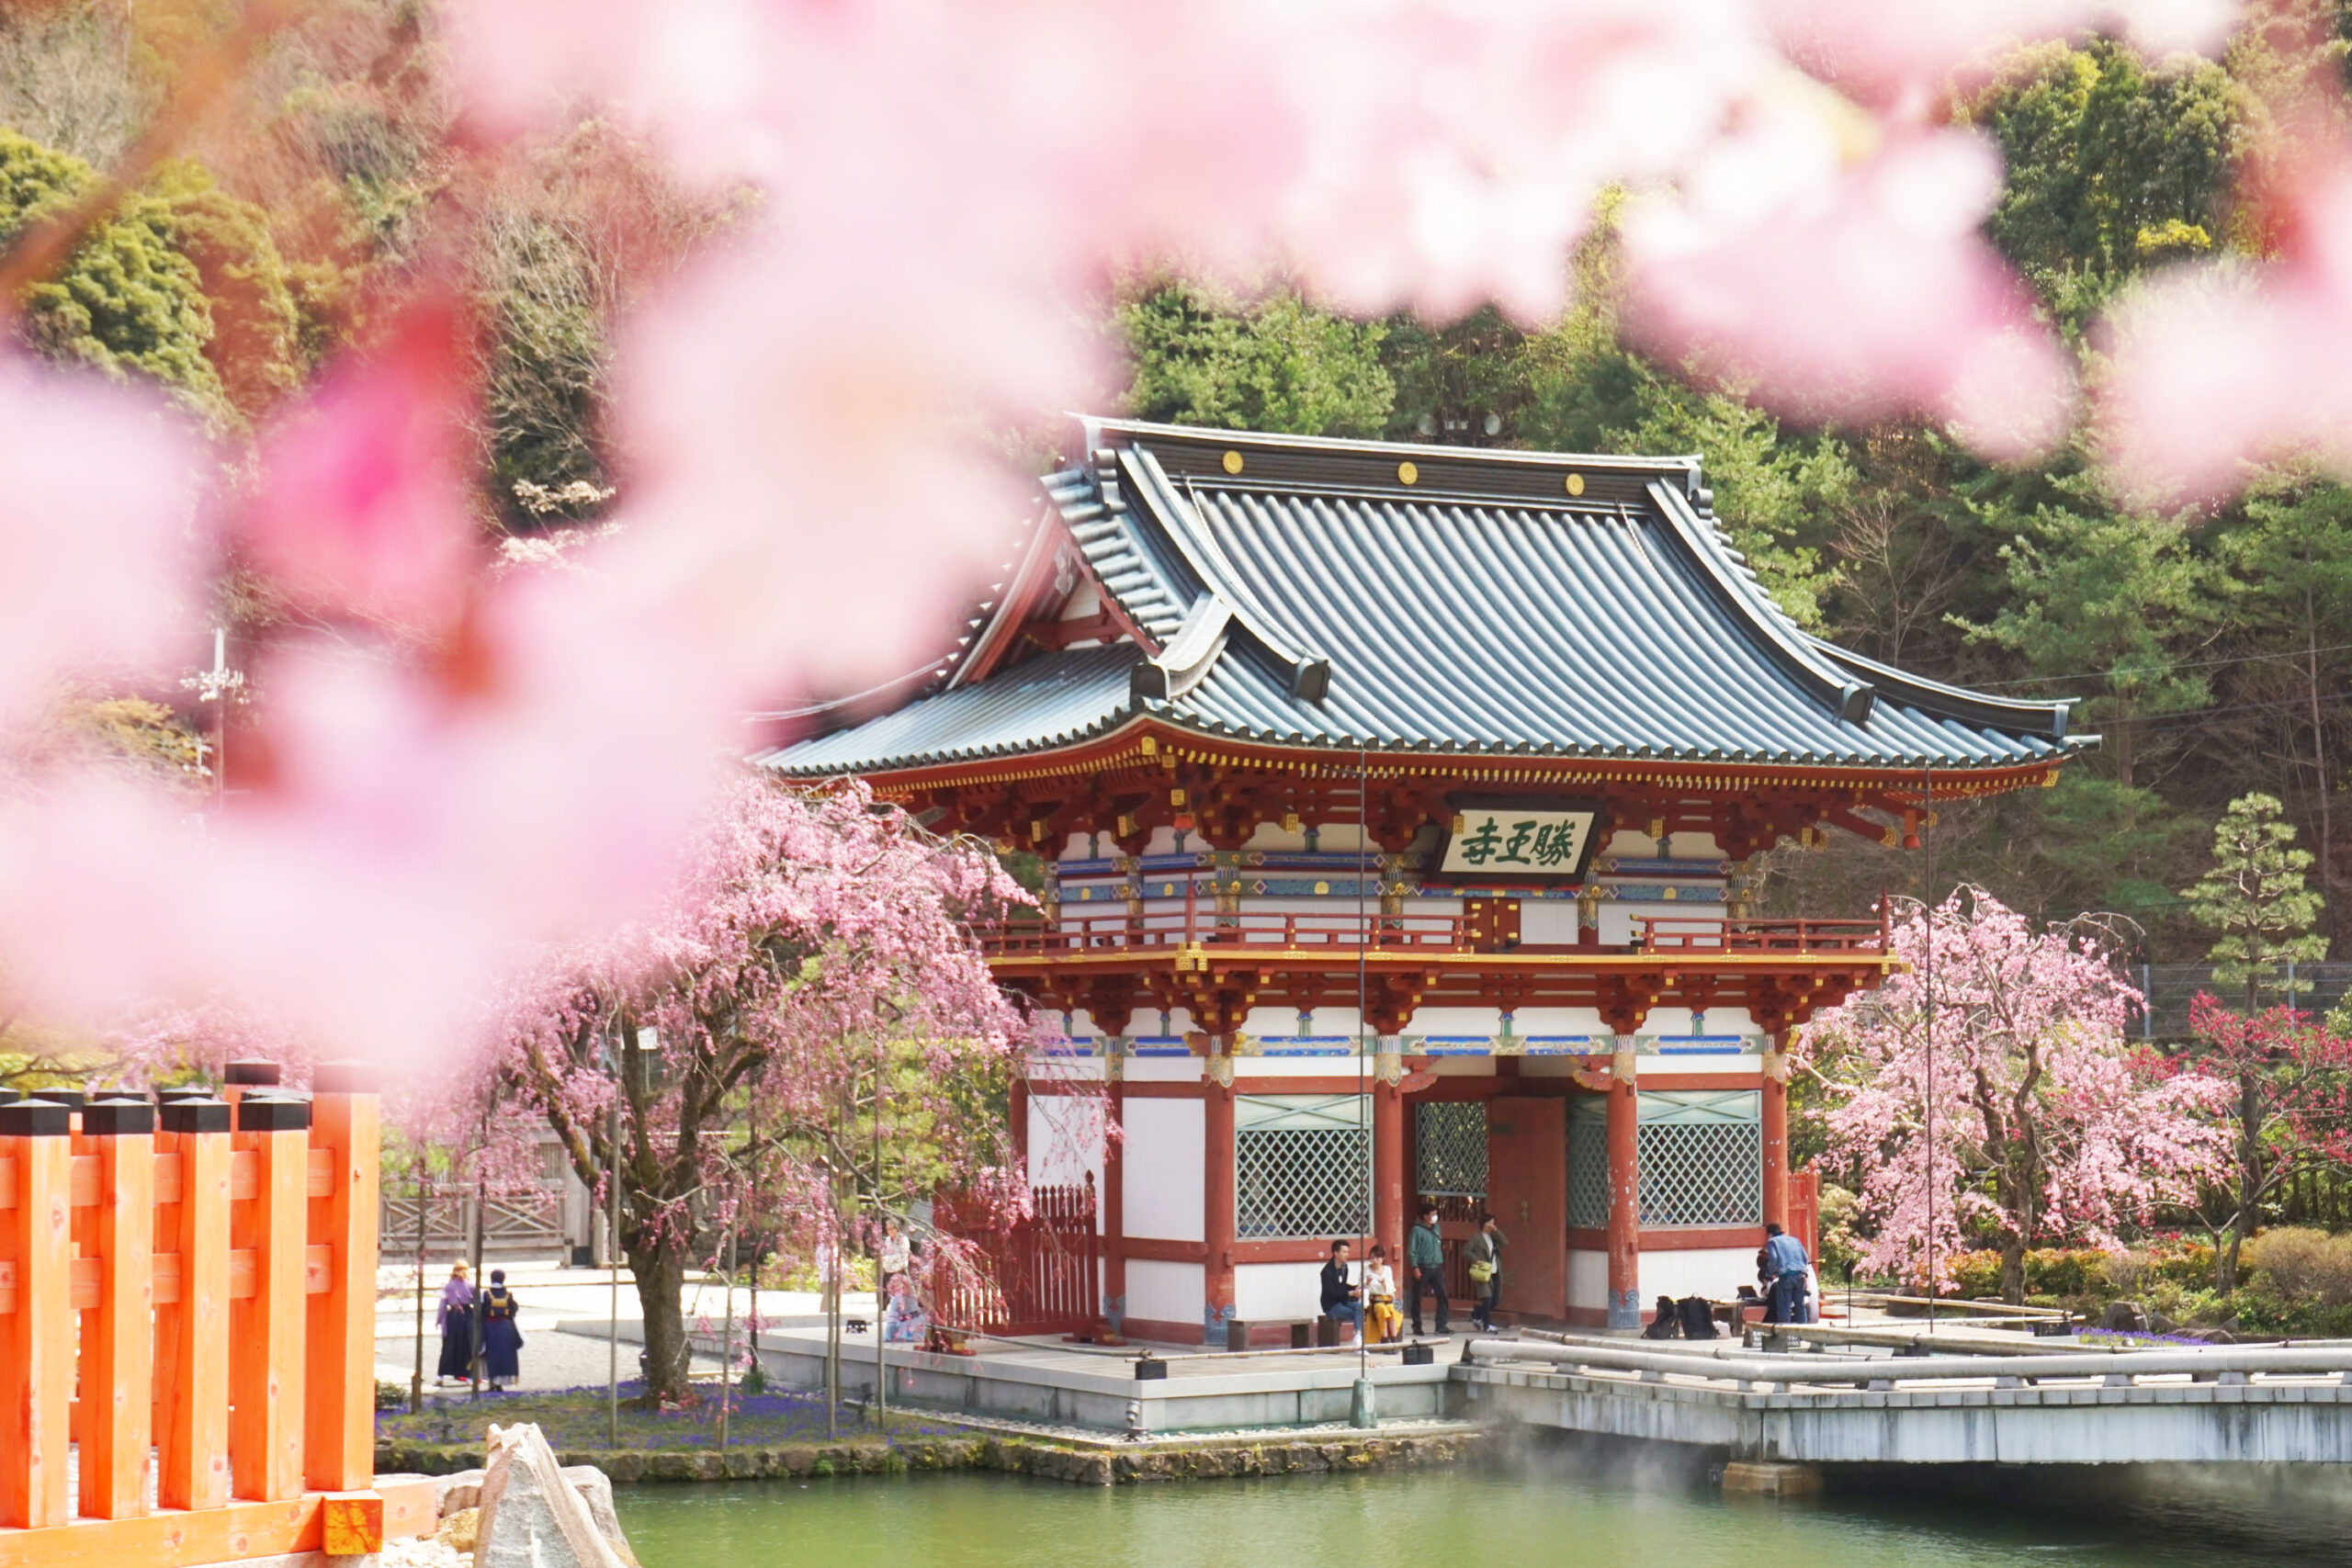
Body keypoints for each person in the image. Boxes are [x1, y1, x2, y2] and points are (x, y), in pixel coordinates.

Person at [1407, 1203, 1449, 1337]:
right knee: (1417, 1298)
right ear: (1425, 1216)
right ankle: (1417, 1326)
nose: (1435, 1217)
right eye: (1432, 1215)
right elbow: (1411, 1251)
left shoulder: (1436, 1228)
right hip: (1423, 1267)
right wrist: (1415, 1267)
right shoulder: (1416, 1230)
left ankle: (1441, 1325)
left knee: (1442, 1295)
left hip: (1436, 1266)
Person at [1760, 1222, 1813, 1325]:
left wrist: (1769, 1273)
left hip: (1786, 1277)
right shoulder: (1795, 1240)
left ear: (1770, 1234)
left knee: (1784, 1308)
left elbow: (1774, 1259)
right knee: (1800, 1307)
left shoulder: (1772, 1242)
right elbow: (1806, 1257)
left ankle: (1785, 1335)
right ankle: (1804, 1333)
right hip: (1800, 1276)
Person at [480, 1269, 524, 1391]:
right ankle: (500, 1383)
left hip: (491, 1327)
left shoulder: (486, 1294)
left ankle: (493, 1382)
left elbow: (482, 1312)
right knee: (505, 1355)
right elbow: (513, 1309)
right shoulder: (508, 1294)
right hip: (506, 1327)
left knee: (492, 1355)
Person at [434, 1262, 476, 1385]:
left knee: (448, 1346)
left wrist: (439, 1320)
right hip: (467, 1316)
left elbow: (442, 1306)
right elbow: (477, 1301)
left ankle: (440, 1376)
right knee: (467, 1346)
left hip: (452, 1317)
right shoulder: (471, 1286)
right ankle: (468, 1376)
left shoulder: (448, 1287)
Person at [1465, 1213, 1507, 1331]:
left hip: (1494, 1271)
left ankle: (1477, 1314)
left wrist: (1496, 1231)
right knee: (1487, 1298)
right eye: (1490, 1223)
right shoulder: (1477, 1238)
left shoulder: (1494, 1238)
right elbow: (1466, 1250)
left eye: (1493, 1223)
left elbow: (1504, 1243)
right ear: (1484, 1224)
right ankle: (1487, 1324)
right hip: (1483, 1272)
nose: (1492, 1225)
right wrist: (1475, 1259)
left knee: (1495, 1299)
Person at [1362, 1244, 1404, 1344]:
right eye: (1372, 1257)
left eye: (1378, 1258)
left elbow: (1391, 1287)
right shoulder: (1366, 1270)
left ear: (1383, 1258)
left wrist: (1384, 1284)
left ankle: (1393, 1338)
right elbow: (1362, 1287)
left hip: (1386, 1299)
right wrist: (1367, 1283)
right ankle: (1385, 1339)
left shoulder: (1387, 1270)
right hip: (1374, 1300)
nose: (1375, 1260)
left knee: (1391, 1310)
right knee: (1382, 1310)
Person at [1319, 1239, 1363, 1337]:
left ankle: (1357, 1336)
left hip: (1342, 1301)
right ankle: (1358, 1337)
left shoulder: (1344, 1267)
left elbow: (1342, 1285)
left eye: (1348, 1252)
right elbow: (1332, 1293)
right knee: (1356, 1314)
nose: (1347, 1254)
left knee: (1359, 1307)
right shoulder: (1327, 1272)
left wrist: (1355, 1287)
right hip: (1331, 1305)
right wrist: (1350, 1293)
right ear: (1336, 1253)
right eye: (1344, 1252)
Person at [882, 1273, 928, 1343]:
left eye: (906, 1286)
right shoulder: (896, 1299)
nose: (904, 1289)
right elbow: (893, 1313)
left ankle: (916, 1335)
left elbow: (920, 1308)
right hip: (902, 1320)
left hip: (915, 1318)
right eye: (902, 1287)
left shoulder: (913, 1297)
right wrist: (891, 1325)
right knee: (897, 1324)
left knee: (920, 1319)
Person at [877, 1218, 912, 1292]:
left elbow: (902, 1256)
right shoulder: (887, 1240)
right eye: (887, 1229)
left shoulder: (903, 1239)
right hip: (888, 1269)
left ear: (896, 1229)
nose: (889, 1231)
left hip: (899, 1270)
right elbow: (884, 1251)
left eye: (891, 1229)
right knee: (882, 1294)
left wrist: (887, 1258)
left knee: (898, 1297)